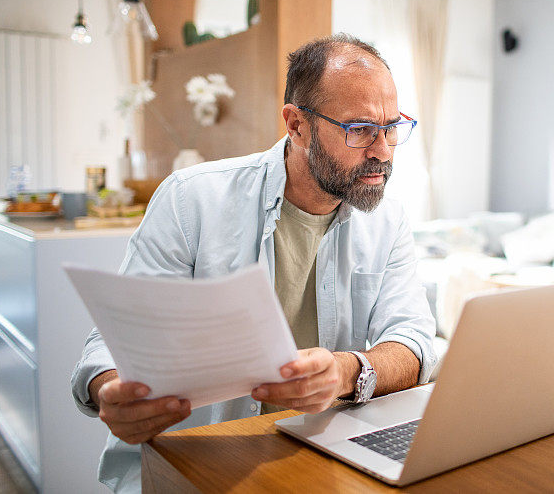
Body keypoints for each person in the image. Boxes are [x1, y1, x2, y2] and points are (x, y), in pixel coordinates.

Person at [71, 33, 437, 493]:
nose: (382, 150)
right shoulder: (193, 200)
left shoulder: (388, 219)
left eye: (391, 127)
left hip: (319, 464)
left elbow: (414, 341)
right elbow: (112, 340)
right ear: (297, 125)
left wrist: (348, 370)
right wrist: (111, 391)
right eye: (360, 129)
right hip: (193, 466)